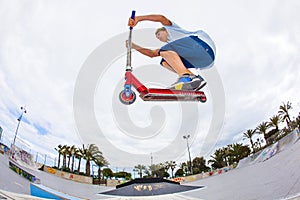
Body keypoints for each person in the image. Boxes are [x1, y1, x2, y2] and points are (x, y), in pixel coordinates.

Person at [127, 14, 216, 90]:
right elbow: (152, 54)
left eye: (159, 34)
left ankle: (186, 76)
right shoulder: (172, 49)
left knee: (164, 50)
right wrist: (133, 46)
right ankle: (193, 79)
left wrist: (139, 18)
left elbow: (161, 18)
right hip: (205, 62)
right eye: (157, 38)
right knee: (164, 61)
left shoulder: (172, 29)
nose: (159, 38)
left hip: (203, 45)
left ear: (164, 30)